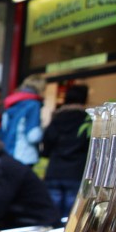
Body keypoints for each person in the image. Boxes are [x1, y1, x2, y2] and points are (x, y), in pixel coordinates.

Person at [41, 84, 91, 215]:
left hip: (55, 170)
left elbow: (47, 144)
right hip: (76, 172)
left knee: (51, 214)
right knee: (71, 215)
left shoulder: (57, 118)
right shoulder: (87, 120)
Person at [0, 75, 45, 167]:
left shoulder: (11, 103)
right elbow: (33, 136)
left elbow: (3, 131)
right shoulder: (33, 104)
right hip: (24, 155)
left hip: (7, 154)